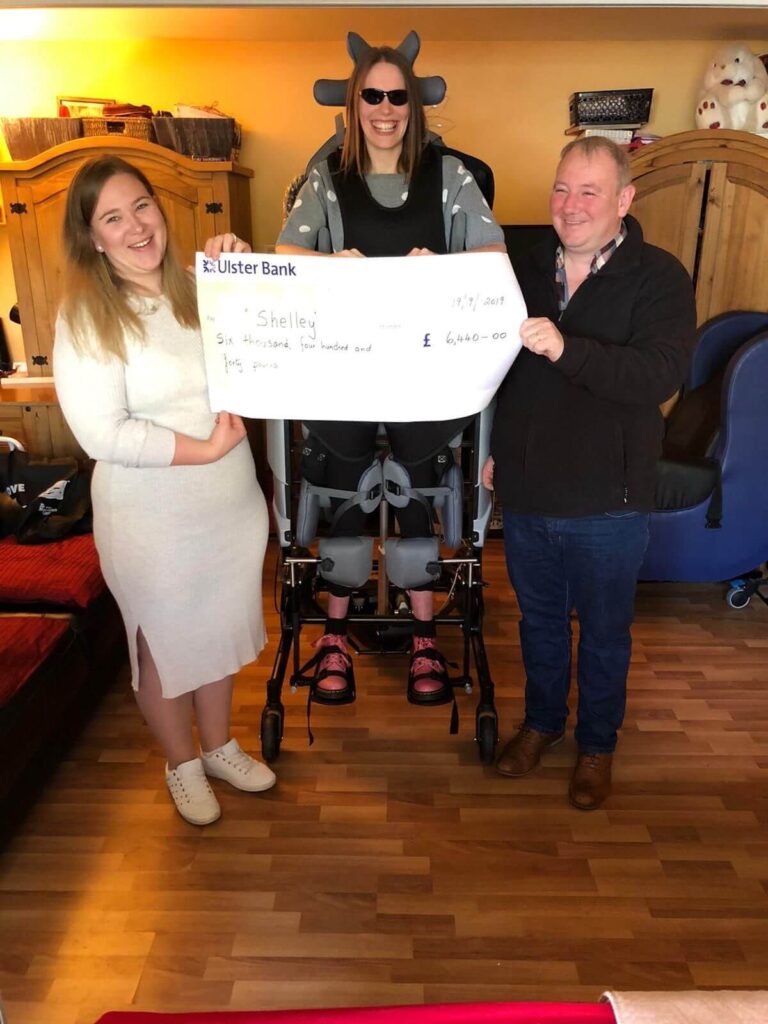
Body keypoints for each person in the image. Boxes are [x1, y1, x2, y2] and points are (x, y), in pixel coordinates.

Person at [270, 43, 506, 708]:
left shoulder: (451, 176)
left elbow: (491, 252)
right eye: (370, 96)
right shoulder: (325, 179)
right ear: (354, 105)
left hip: (424, 374)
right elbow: (288, 252)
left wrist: (442, 265)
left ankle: (426, 636)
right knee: (344, 495)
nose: (383, 109)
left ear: (414, 104)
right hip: (346, 371)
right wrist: (326, 263)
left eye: (395, 96)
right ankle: (335, 638)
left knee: (420, 493)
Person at [53, 156, 275, 826]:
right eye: (112, 218)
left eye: (142, 206)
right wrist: (204, 449)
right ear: (93, 237)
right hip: (153, 519)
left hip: (229, 507)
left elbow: (273, 335)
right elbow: (103, 434)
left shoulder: (199, 288)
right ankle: (181, 762)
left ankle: (218, 745)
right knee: (165, 644)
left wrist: (239, 266)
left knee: (222, 631)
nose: (135, 226)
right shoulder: (87, 315)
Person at [484, 136, 697, 810]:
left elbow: (658, 375)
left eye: (589, 192)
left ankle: (596, 743)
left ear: (624, 200)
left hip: (610, 498)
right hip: (526, 490)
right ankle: (542, 724)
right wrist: (496, 445)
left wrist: (567, 348)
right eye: (561, 189)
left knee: (604, 633)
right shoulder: (519, 267)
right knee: (539, 624)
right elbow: (492, 370)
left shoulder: (659, 277)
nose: (570, 206)